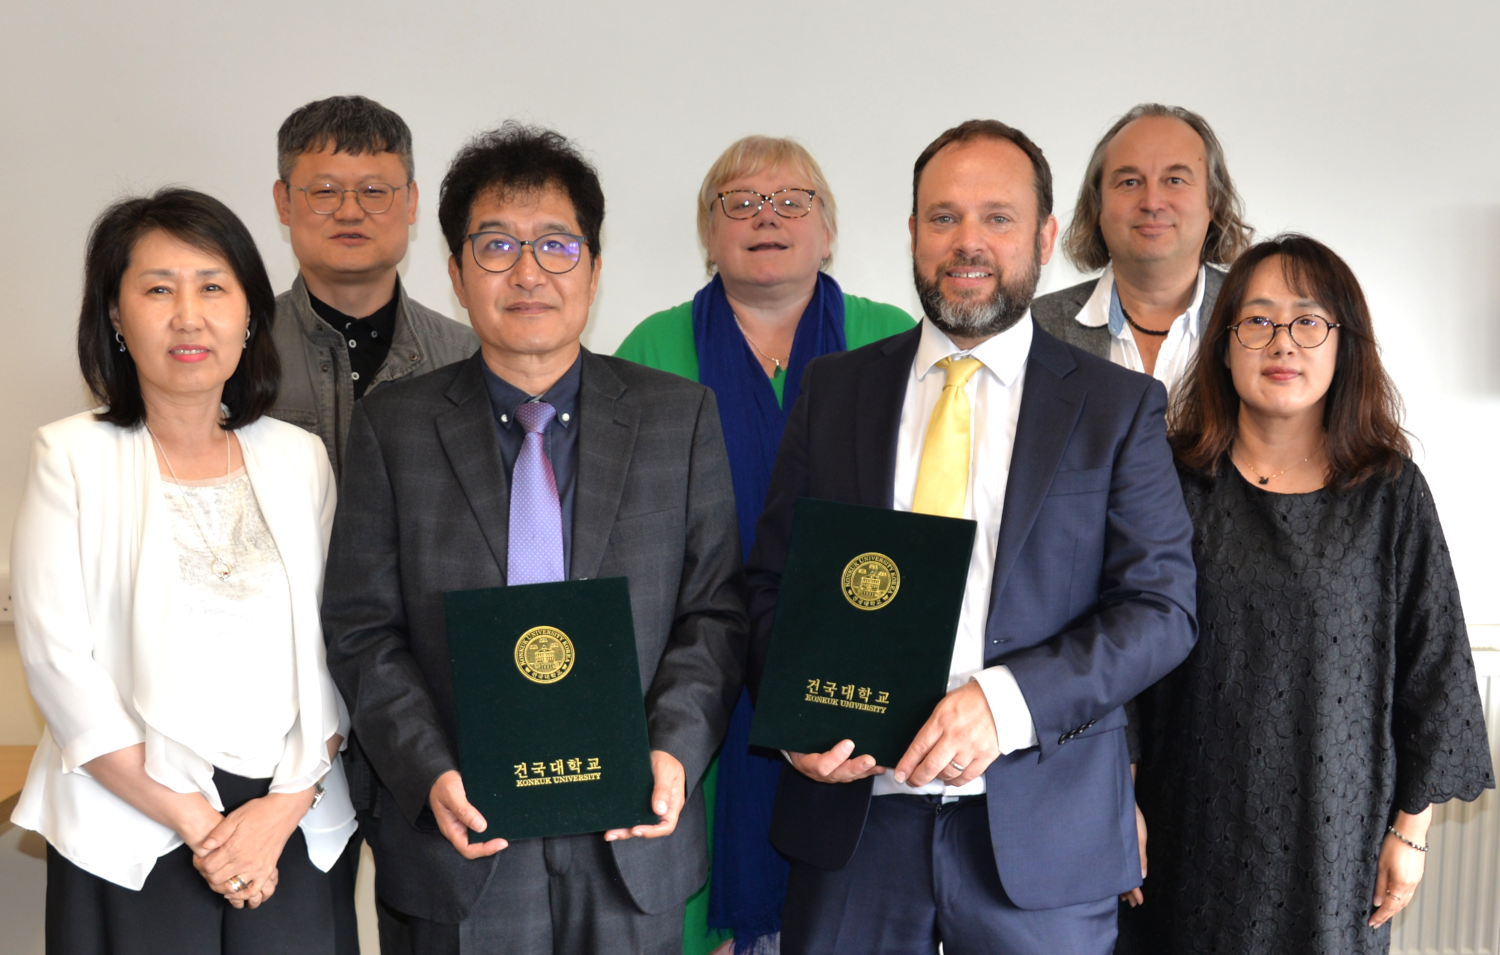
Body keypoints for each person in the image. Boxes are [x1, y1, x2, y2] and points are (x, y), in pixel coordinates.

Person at [744, 119, 1199, 955]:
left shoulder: (1114, 407)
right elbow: (772, 586)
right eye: (943, 216)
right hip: (855, 830)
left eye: (997, 217)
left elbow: (1161, 607)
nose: (967, 242)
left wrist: (1005, 702)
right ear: (912, 232)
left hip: (1042, 837)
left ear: (1046, 237)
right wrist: (798, 717)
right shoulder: (836, 389)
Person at [320, 123, 747, 955]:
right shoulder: (392, 428)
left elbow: (715, 614)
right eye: (496, 245)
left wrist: (672, 752)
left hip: (631, 839)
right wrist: (429, 771)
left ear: (592, 265)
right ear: (452, 271)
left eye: (555, 244)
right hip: (461, 840)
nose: (527, 271)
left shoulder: (677, 419)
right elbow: (363, 629)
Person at [1119, 235, 1495, 955]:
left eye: (1308, 321)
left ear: (1343, 343)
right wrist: (1118, 799)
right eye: (1256, 320)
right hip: (1183, 826)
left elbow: (1436, 668)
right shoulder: (1169, 479)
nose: (1280, 342)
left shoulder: (1389, 491)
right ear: (1224, 345)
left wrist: (1409, 833)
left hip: (1334, 842)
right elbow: (1123, 650)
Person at [9, 188, 358, 954]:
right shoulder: (69, 457)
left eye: (213, 287)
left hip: (288, 821)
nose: (188, 315)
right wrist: (197, 821)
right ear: (115, 316)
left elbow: (341, 647)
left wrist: (282, 807)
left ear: (248, 316)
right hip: (130, 819)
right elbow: (56, 662)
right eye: (158, 289)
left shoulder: (299, 459)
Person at [615, 134, 913, 954]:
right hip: (693, 664)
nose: (766, 218)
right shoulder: (652, 346)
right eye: (739, 202)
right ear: (709, 233)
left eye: (792, 201)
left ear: (829, 230)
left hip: (855, 667)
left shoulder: (894, 336)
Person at [270, 94, 478, 476]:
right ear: (284, 203)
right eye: (325, 191)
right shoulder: (237, 352)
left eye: (374, 192)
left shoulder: (470, 360)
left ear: (411, 203)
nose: (350, 212)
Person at [1033, 104, 1251, 392]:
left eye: (1175, 180)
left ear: (1212, 201)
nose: (1151, 202)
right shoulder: (1036, 328)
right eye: (1130, 182)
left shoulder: (1258, 319)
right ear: (1098, 205)